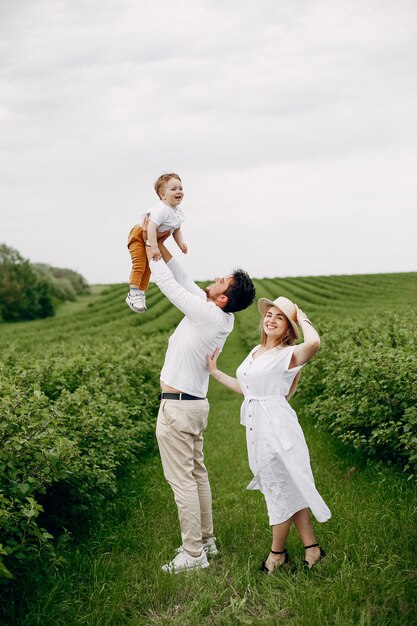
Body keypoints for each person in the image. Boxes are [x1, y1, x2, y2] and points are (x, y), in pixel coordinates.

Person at [143, 224, 256, 574]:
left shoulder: (207, 313)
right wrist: (164, 245)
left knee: (183, 481)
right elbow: (185, 277)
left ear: (223, 298)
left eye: (222, 282)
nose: (215, 280)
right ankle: (206, 540)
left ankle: (193, 555)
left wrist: (149, 243)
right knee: (197, 474)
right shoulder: (219, 316)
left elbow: (168, 284)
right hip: (193, 404)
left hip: (178, 406)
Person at [208, 295, 331, 573]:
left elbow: (314, 343)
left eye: (280, 317)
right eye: (269, 315)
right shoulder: (255, 351)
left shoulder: (287, 355)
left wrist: (302, 316)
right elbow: (246, 388)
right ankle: (312, 549)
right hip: (257, 425)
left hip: (277, 427)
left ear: (288, 328)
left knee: (277, 489)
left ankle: (277, 554)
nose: (272, 319)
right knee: (289, 486)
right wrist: (214, 372)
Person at [125, 172, 187, 313]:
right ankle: (133, 293)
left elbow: (177, 229)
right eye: (173, 189)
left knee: (149, 267)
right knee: (140, 264)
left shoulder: (178, 212)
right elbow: (151, 227)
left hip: (151, 239)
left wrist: (181, 244)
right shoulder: (162, 209)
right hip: (138, 236)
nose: (179, 191)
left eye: (180, 188)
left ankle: (140, 292)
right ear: (162, 195)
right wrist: (154, 247)